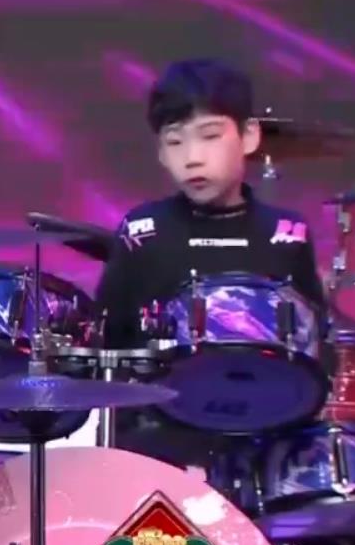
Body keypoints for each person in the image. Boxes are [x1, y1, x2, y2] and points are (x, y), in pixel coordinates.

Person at [93, 58, 327, 465]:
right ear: (160, 152)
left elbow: (313, 347)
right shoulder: (143, 230)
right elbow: (106, 344)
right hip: (160, 440)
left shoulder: (287, 232)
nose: (193, 157)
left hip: (265, 438)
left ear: (249, 136)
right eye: (175, 141)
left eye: (210, 136)